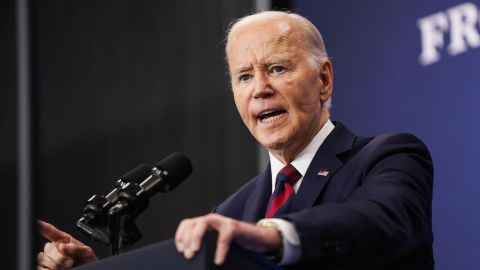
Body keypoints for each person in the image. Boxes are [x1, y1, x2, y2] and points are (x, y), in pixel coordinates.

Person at [37, 11, 434, 270]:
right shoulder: (232, 211)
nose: (259, 89)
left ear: (324, 79)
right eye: (244, 76)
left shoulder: (388, 156)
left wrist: (272, 235)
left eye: (277, 68)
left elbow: (384, 221)